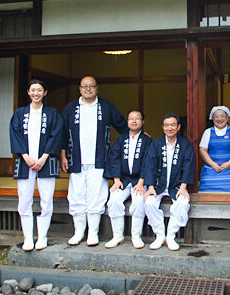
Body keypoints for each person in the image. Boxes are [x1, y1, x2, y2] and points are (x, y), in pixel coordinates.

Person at [60, 76, 127, 246]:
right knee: (76, 197)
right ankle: (78, 233)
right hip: (76, 160)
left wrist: (138, 133)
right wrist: (62, 155)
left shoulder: (105, 106)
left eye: (92, 86)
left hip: (99, 160)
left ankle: (93, 234)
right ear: (79, 89)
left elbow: (122, 125)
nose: (88, 89)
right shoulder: (70, 108)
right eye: (85, 86)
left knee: (97, 197)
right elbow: (62, 134)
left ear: (97, 88)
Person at [9, 79, 63, 251]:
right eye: (33, 90)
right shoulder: (20, 113)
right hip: (26, 162)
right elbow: (15, 134)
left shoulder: (52, 113)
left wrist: (43, 157)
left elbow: (56, 135)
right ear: (28, 92)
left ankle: (42, 237)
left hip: (46, 162)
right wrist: (25, 156)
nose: (36, 93)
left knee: (46, 201)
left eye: (39, 90)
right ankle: (27, 238)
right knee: (24, 201)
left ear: (45, 93)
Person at [143, 113, 195, 251]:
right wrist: (150, 187)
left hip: (177, 185)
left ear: (178, 127)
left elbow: (189, 166)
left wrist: (184, 187)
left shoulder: (185, 144)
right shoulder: (156, 144)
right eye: (166, 125)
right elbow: (150, 166)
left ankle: (171, 235)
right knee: (148, 202)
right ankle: (160, 235)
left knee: (183, 203)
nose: (169, 128)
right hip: (158, 186)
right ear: (163, 127)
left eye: (173, 125)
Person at [103, 109, 153, 249]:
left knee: (138, 202)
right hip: (123, 180)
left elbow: (147, 162)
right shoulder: (121, 139)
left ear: (143, 122)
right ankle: (117, 236)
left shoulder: (147, 140)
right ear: (127, 121)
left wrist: (142, 181)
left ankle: (136, 236)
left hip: (139, 180)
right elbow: (114, 158)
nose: (134, 121)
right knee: (113, 200)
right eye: (131, 118)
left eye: (137, 119)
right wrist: (116, 179)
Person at [198, 106, 230, 192]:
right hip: (210, 168)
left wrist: (228, 164)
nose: (219, 119)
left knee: (229, 185)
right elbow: (202, 150)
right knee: (206, 183)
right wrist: (212, 164)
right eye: (216, 116)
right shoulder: (208, 132)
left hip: (229, 169)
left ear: (227, 117)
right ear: (212, 118)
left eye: (222, 116)